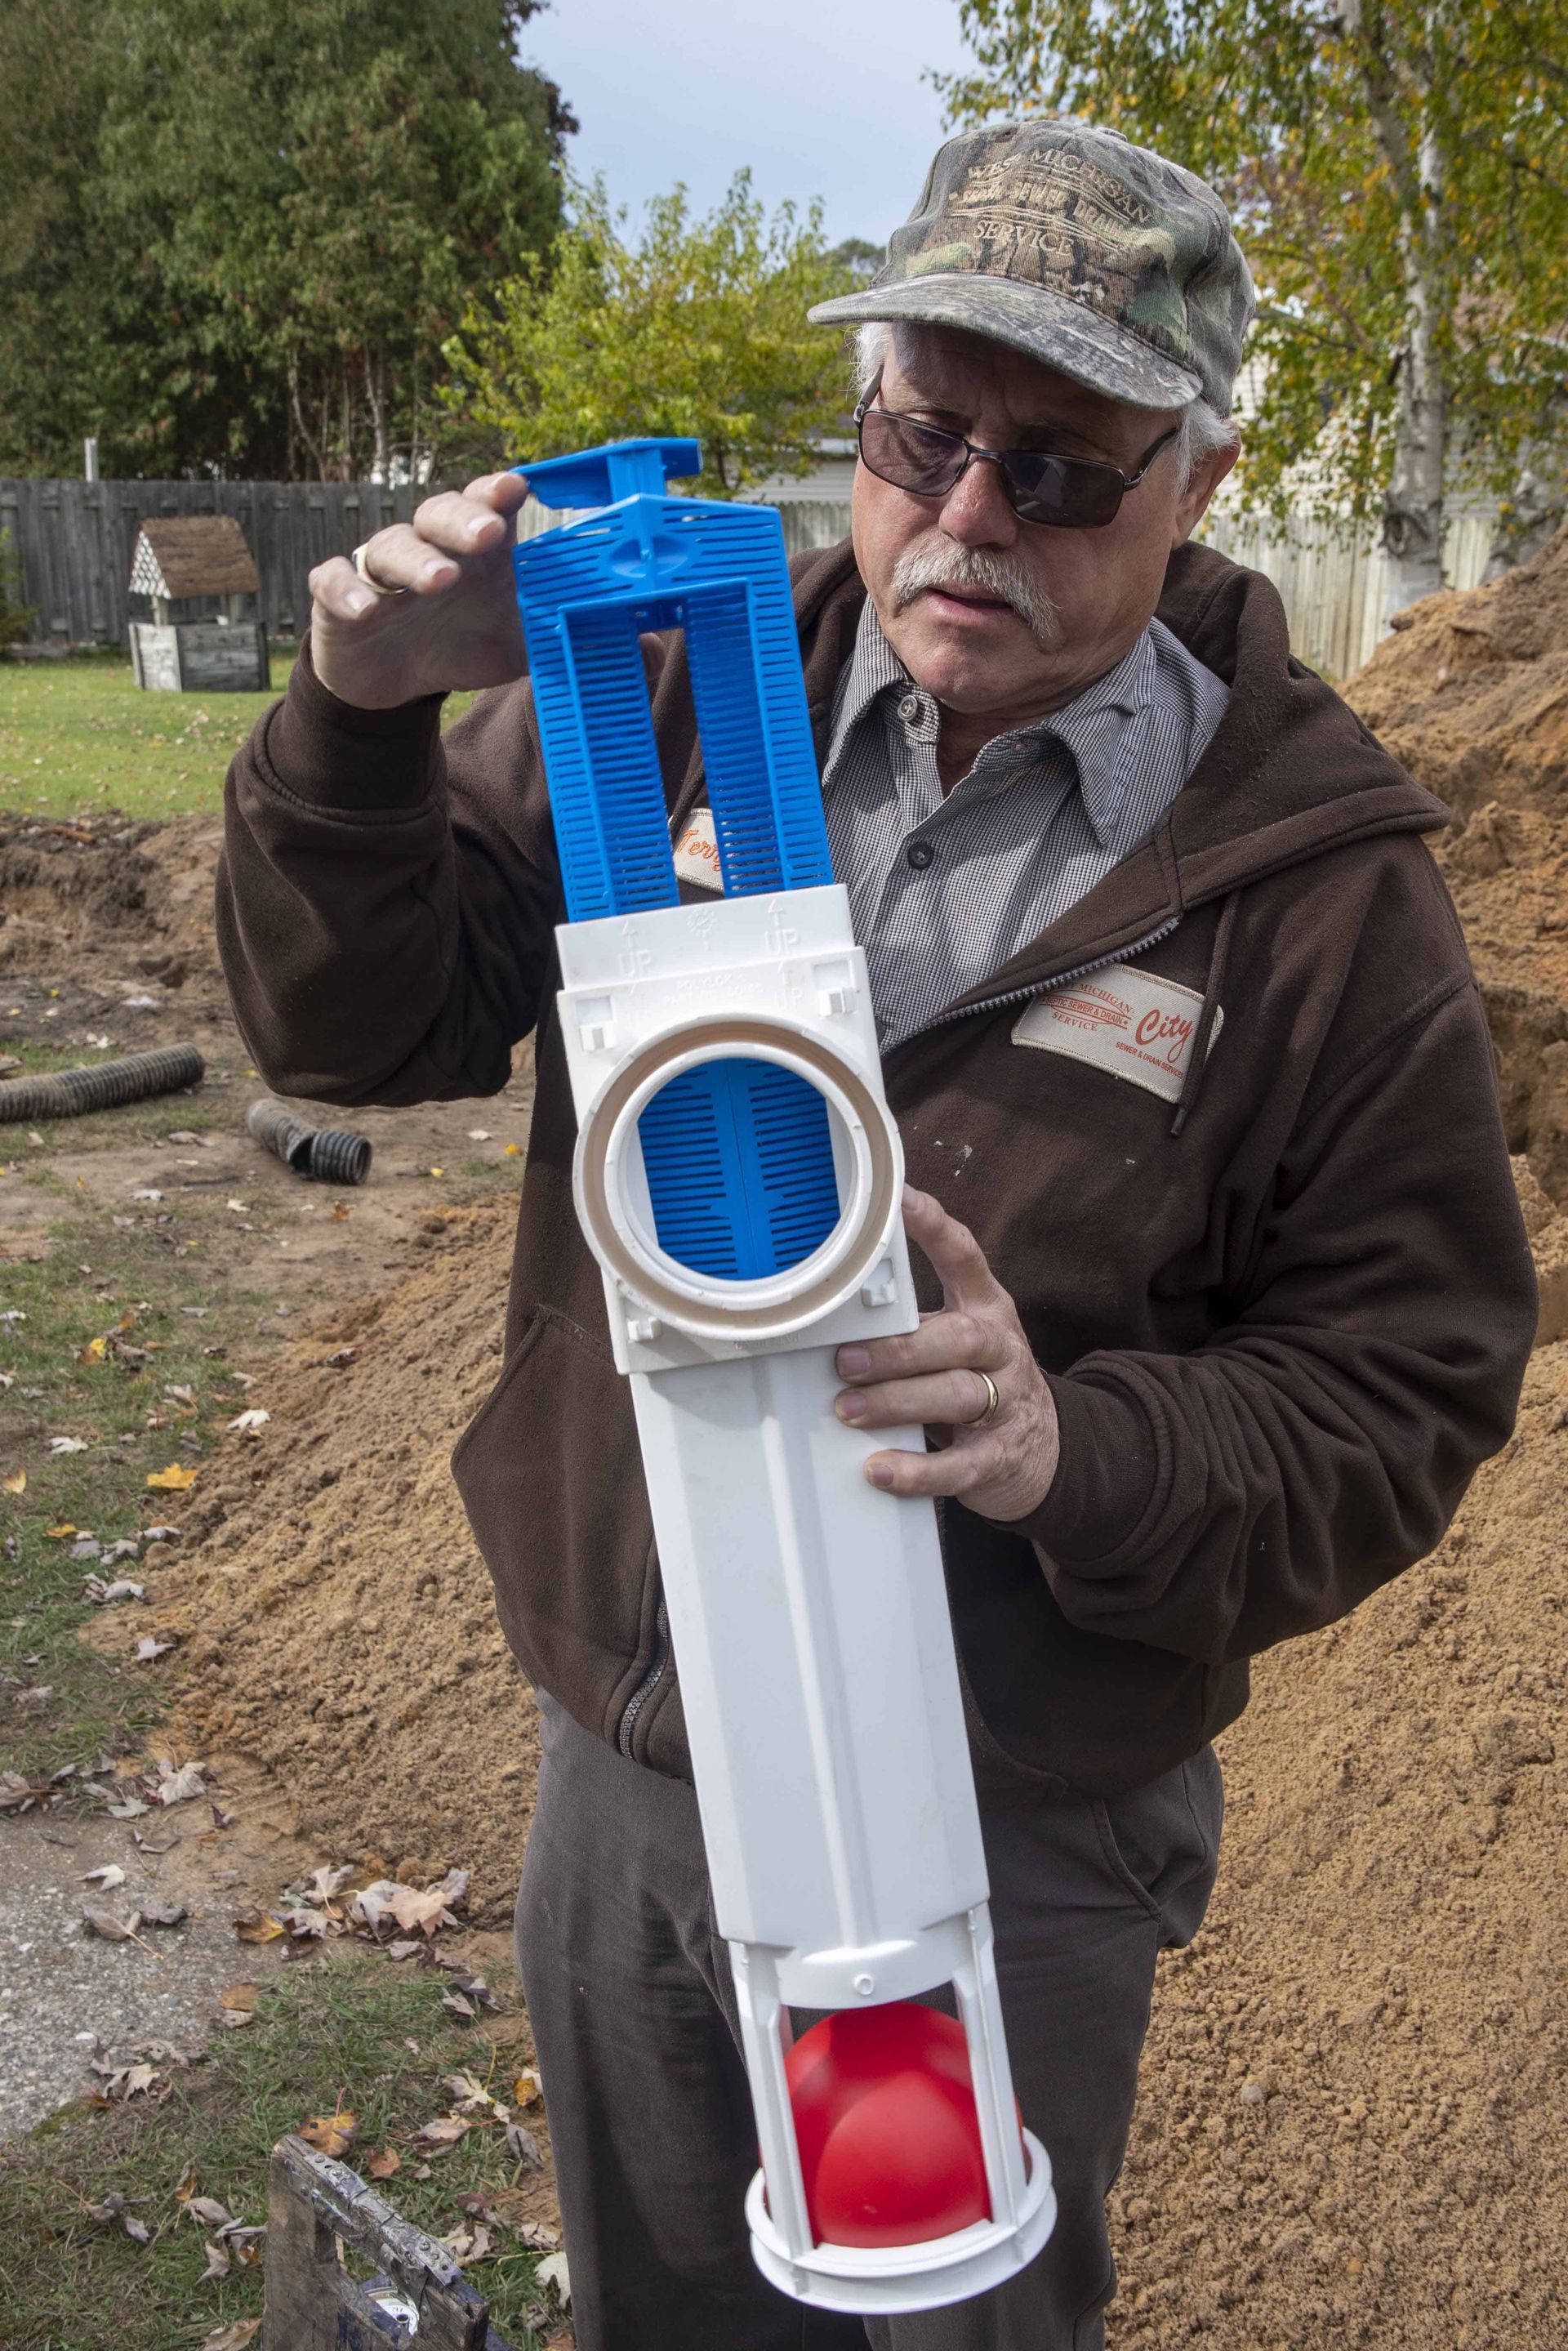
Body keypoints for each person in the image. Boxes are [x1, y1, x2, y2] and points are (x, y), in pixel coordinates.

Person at [217, 118, 1535, 2351]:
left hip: (980, 1847)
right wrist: (355, 728)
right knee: (674, 2313)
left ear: (1199, 483)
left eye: (1066, 465)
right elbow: (356, 1033)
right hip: (635, 1781)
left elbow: (1410, 1381)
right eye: (925, 431)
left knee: (929, 2316)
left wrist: (1071, 1445)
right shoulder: (675, 682)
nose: (972, 512)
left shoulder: (1313, 887)